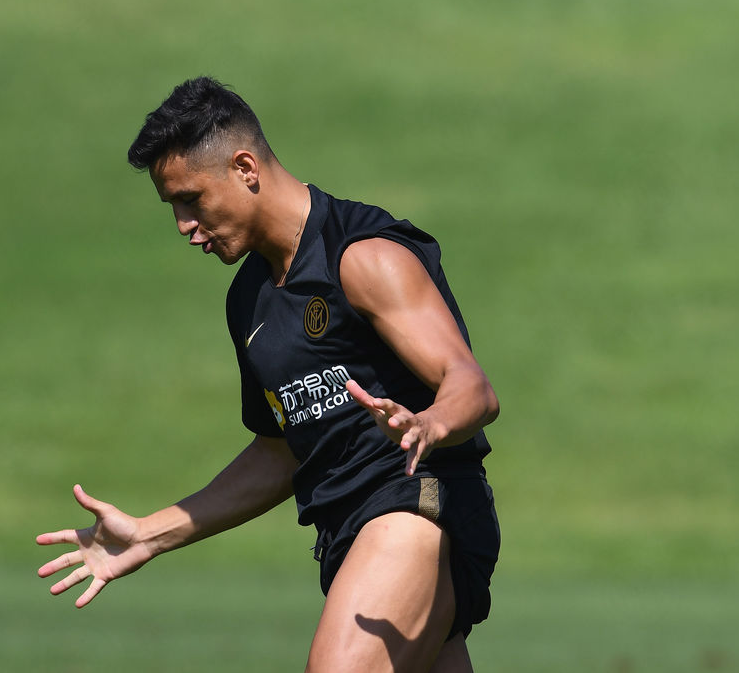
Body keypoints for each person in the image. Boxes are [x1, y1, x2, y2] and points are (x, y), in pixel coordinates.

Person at [36, 77, 500, 673]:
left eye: (191, 199)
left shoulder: (362, 257)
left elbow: (471, 385)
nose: (182, 224)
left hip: (415, 504)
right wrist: (149, 534)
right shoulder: (248, 301)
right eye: (172, 206)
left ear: (245, 168)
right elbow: (281, 452)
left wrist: (429, 424)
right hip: (345, 533)